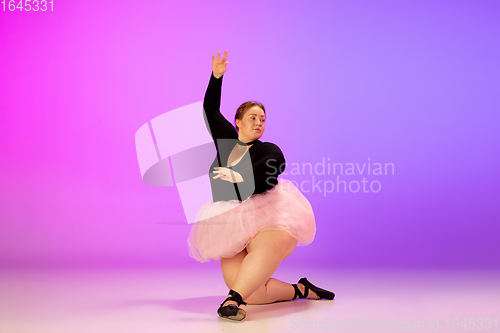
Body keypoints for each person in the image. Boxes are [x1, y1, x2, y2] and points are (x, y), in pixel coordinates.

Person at [187, 50, 335, 321]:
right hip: (229, 219)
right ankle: (301, 289)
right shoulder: (227, 141)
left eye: (263, 119)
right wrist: (216, 77)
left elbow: (274, 166)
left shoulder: (267, 149)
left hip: (268, 214)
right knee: (252, 293)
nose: (259, 122)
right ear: (238, 122)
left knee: (242, 288)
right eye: (253, 117)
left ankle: (232, 302)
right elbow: (209, 110)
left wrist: (240, 176)